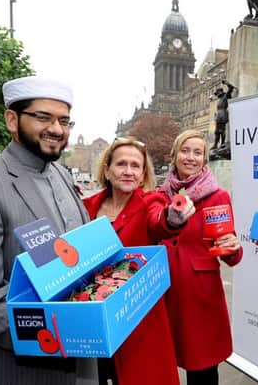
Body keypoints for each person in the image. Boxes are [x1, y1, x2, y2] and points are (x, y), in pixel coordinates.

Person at [0, 76, 97, 384]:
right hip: (17, 371)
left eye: (64, 121)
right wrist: (64, 332)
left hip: (79, 368)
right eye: (43, 117)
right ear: (11, 119)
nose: (57, 129)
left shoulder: (60, 173)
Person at [83, 136, 195, 385]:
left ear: (143, 174)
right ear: (107, 169)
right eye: (121, 164)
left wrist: (174, 218)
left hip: (136, 320)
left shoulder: (150, 203)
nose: (128, 171)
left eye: (136, 166)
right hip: (94, 317)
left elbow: (160, 221)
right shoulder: (86, 206)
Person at [157, 129, 242, 385]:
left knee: (202, 367)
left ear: (205, 159)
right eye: (185, 151)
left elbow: (231, 256)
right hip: (163, 291)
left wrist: (232, 247)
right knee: (161, 362)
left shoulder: (218, 196)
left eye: (198, 152)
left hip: (200, 294)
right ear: (174, 155)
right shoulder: (160, 196)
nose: (191, 157)